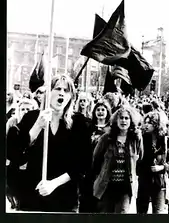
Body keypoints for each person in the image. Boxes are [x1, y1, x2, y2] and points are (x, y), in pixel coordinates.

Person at [10, 74, 91, 212]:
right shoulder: (31, 117)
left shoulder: (79, 122)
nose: (61, 93)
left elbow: (83, 164)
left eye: (66, 90)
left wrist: (53, 184)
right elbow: (15, 155)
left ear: (71, 96)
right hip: (32, 193)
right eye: (58, 88)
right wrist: (36, 127)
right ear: (49, 92)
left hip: (65, 196)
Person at [92, 105, 143, 213]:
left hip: (125, 187)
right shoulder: (106, 138)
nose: (123, 121)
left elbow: (140, 158)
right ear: (116, 120)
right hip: (106, 186)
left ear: (131, 121)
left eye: (126, 118)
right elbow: (96, 159)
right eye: (121, 118)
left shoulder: (135, 139)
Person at [136, 111, 169, 214]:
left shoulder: (166, 141)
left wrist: (162, 167)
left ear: (156, 124)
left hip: (159, 182)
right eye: (146, 122)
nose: (146, 125)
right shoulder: (141, 139)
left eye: (150, 123)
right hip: (144, 180)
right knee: (141, 212)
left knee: (158, 212)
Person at [6, 97, 38, 210]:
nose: (25, 112)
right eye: (23, 109)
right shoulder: (15, 129)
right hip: (18, 173)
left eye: (28, 109)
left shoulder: (42, 129)